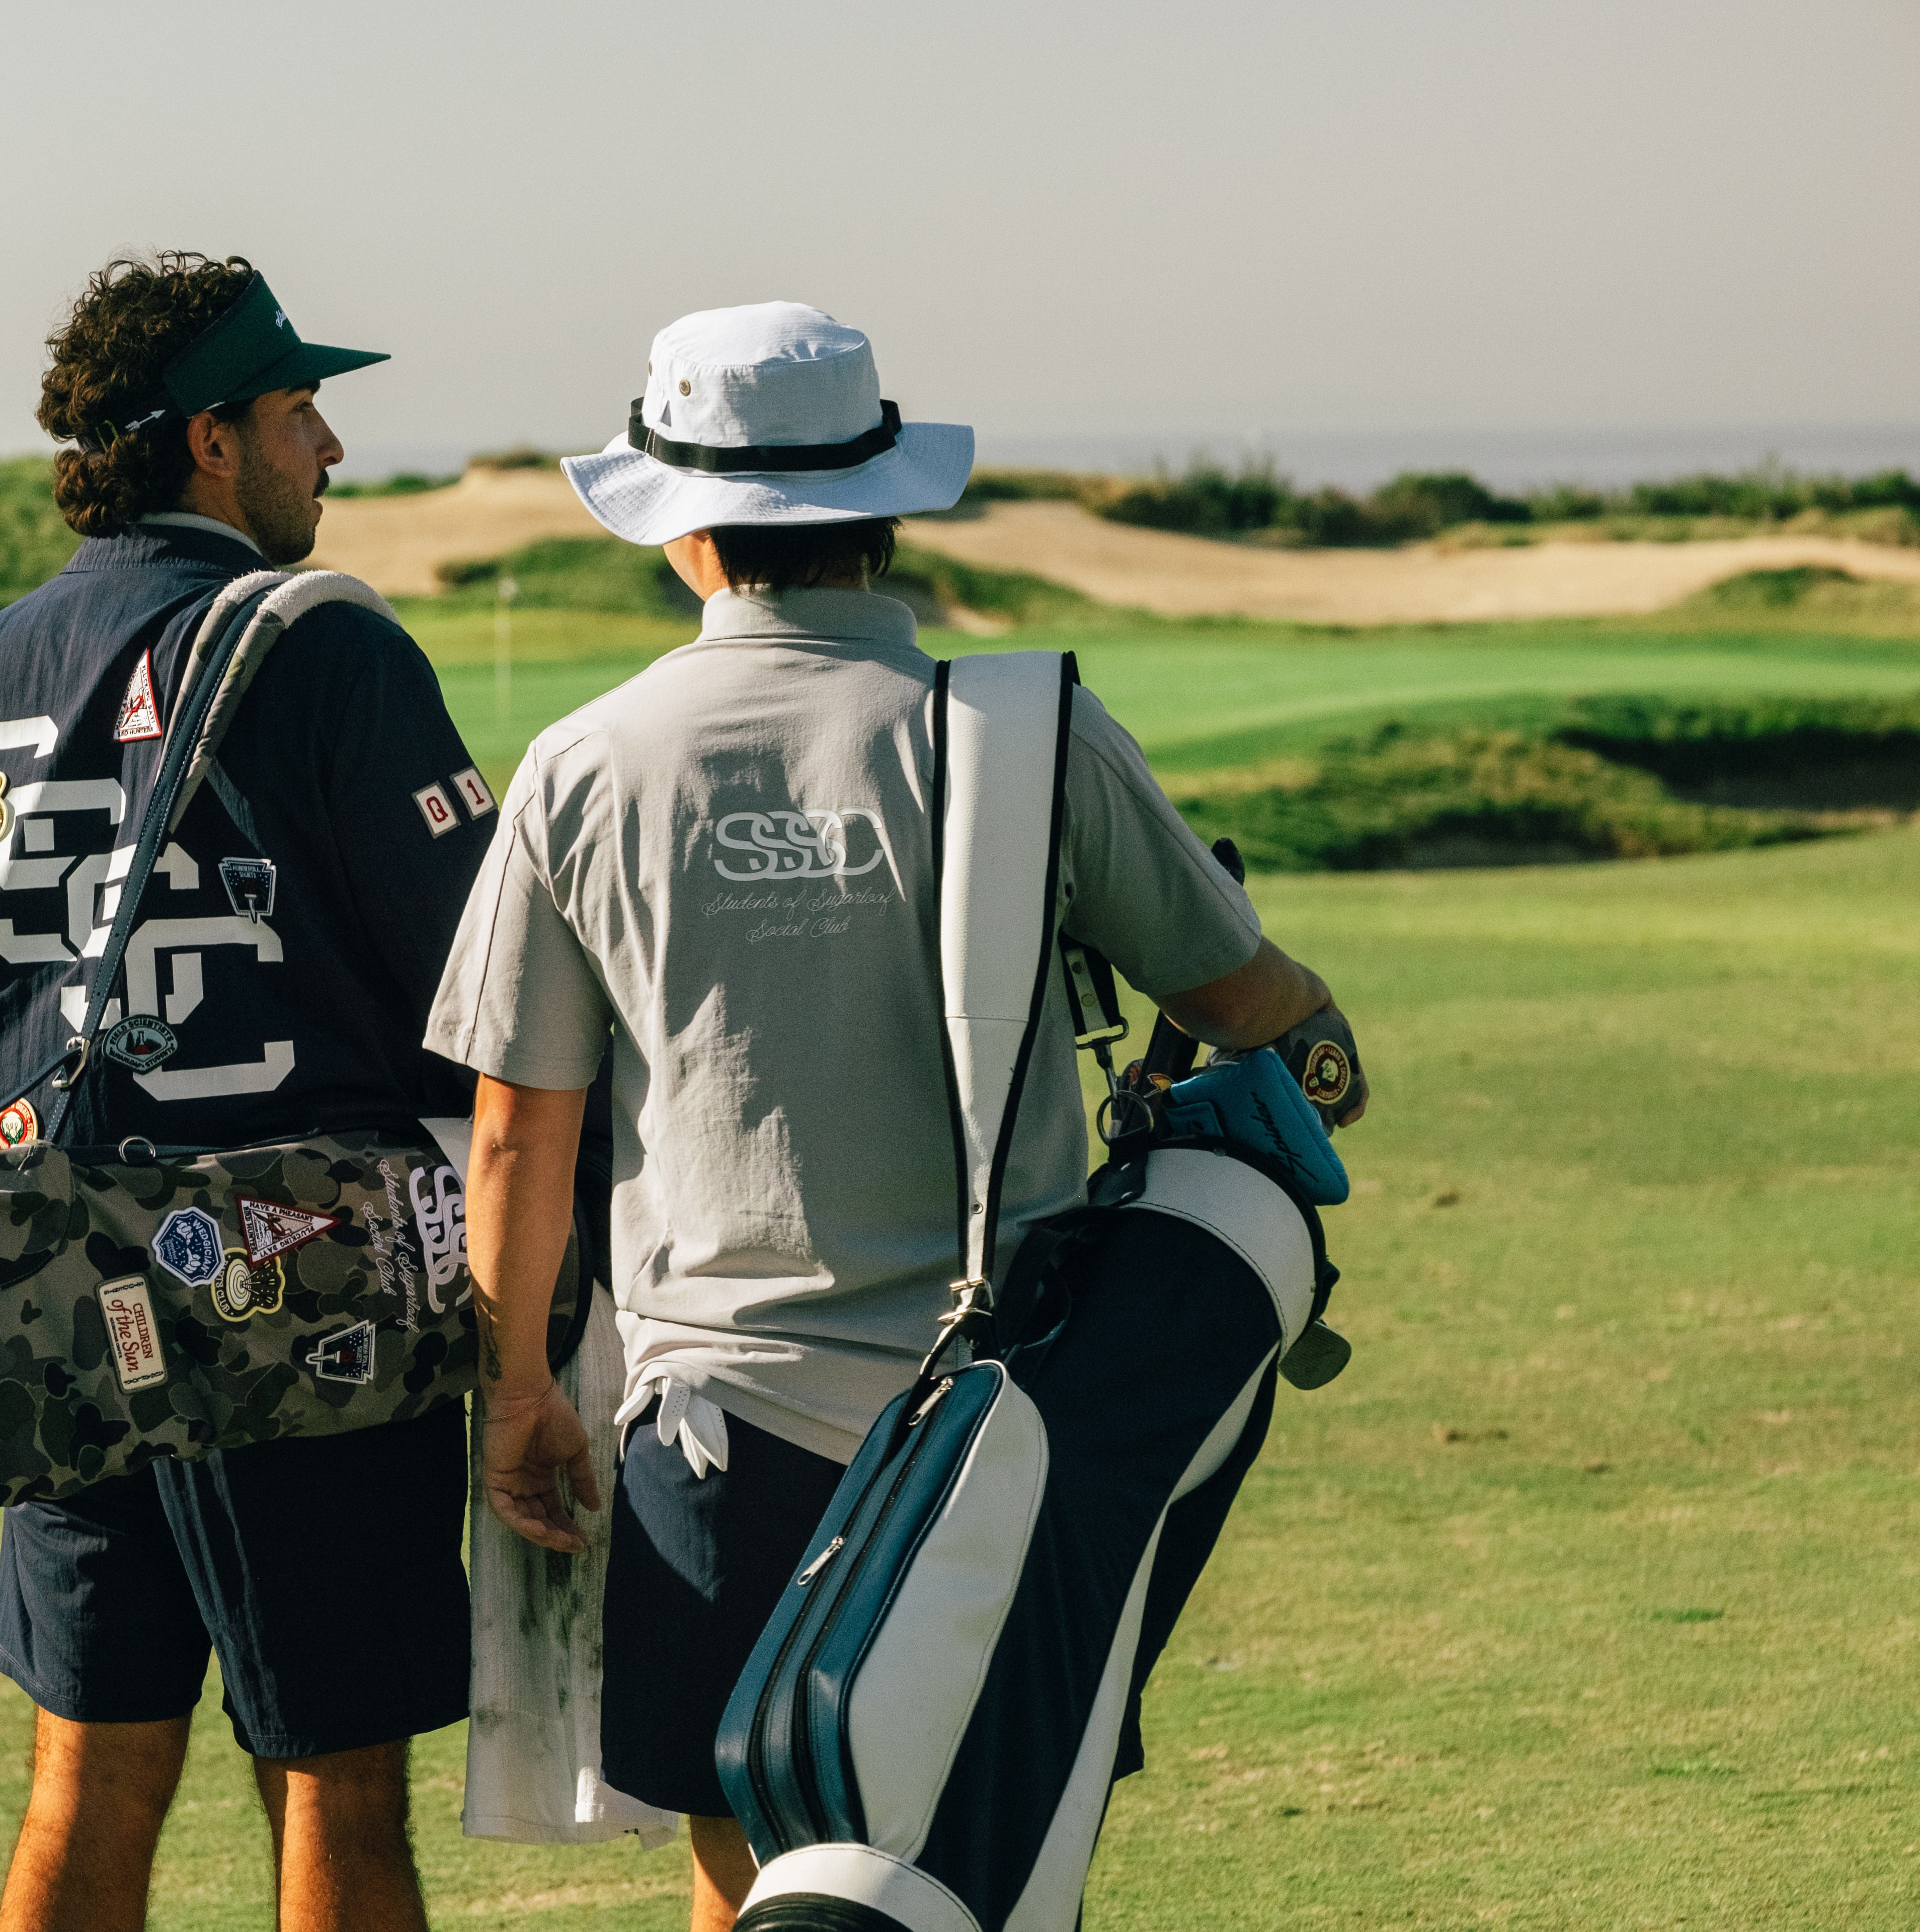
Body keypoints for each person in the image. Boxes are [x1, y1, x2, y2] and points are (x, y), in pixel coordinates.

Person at [426, 302, 1370, 1932]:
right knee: (992, 1879)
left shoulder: (582, 765)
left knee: (759, 1889)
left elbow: (518, 1137)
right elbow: (1264, 1013)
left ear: (687, 532)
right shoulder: (1034, 736)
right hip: (1007, 1433)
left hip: (716, 1435)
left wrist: (515, 1395)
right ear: (880, 507)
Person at [0, 252, 497, 1932]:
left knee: (90, 1776)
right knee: (337, 1783)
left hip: (49, 1292)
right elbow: (485, 985)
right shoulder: (330, 652)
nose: (328, 446)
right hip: (306, 1298)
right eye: (298, 410)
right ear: (210, 440)